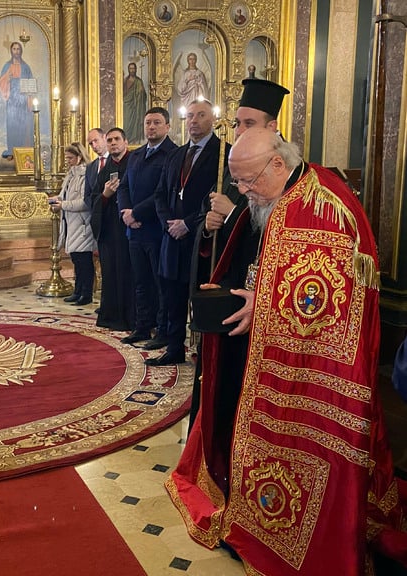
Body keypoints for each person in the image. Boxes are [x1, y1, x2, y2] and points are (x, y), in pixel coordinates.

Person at [167, 127, 407, 574]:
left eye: (247, 180)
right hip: (264, 358)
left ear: (278, 163)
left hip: (313, 374)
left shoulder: (327, 206)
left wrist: (267, 301)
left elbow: (334, 295)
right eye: (237, 182)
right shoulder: (272, 198)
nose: (243, 192)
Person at [187, 78, 289, 433]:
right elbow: (214, 217)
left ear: (271, 127)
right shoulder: (237, 159)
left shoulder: (283, 170)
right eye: (237, 123)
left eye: (249, 123)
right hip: (231, 298)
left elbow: (274, 237)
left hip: (261, 308)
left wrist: (232, 214)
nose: (240, 130)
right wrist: (210, 223)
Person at [150, 99, 226, 367]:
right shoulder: (176, 154)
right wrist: (169, 223)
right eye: (190, 115)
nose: (193, 120)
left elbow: (219, 198)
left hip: (202, 239)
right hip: (172, 237)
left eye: (200, 115)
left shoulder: (222, 154)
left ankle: (207, 353)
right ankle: (173, 348)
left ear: (213, 119)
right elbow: (160, 193)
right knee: (172, 295)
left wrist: (188, 224)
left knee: (201, 296)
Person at [118, 107, 177, 350]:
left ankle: (162, 330)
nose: (151, 127)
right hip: (135, 231)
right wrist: (125, 213)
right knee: (140, 281)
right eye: (147, 122)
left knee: (160, 283)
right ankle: (142, 325)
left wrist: (136, 213)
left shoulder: (173, 154)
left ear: (167, 127)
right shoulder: (136, 155)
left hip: (156, 231)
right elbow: (123, 187)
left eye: (156, 122)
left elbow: (161, 193)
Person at [85, 128, 134, 332]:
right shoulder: (105, 168)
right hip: (109, 230)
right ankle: (111, 317)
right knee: (111, 273)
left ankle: (131, 320)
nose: (113, 143)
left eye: (117, 139)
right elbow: (95, 197)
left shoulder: (134, 162)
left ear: (125, 141)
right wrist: (105, 195)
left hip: (130, 229)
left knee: (129, 275)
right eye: (110, 140)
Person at [49, 142, 96, 306]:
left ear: (79, 157)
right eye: (66, 157)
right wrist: (57, 199)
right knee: (76, 260)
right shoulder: (71, 174)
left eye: (70, 158)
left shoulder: (85, 175)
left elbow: (84, 202)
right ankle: (78, 291)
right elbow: (65, 195)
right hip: (71, 223)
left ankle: (86, 293)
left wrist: (63, 205)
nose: (67, 161)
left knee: (84, 261)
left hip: (82, 224)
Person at [0, 41, 35, 157]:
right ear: (11, 51)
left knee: (23, 125)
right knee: (12, 124)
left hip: (23, 100)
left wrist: (29, 100)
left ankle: (22, 150)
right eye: (14, 49)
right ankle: (12, 151)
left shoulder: (26, 67)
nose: (16, 51)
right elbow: (1, 82)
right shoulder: (6, 66)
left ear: (21, 51)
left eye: (18, 49)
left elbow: (30, 83)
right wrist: (7, 78)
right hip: (12, 100)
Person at [123, 62, 147, 144]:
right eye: (130, 68)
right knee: (126, 124)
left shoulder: (139, 81)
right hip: (127, 107)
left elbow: (143, 96)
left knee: (135, 123)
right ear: (128, 70)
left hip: (136, 107)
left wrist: (141, 93)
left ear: (136, 70)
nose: (132, 70)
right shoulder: (125, 80)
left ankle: (134, 141)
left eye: (133, 68)